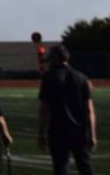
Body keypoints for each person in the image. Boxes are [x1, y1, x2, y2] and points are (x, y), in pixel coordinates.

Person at [37, 44, 97, 175]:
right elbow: (89, 109)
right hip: (80, 130)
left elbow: (44, 109)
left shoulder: (49, 77)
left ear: (55, 58)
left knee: (60, 167)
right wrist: (92, 134)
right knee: (85, 166)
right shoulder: (82, 78)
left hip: (58, 129)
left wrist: (41, 133)